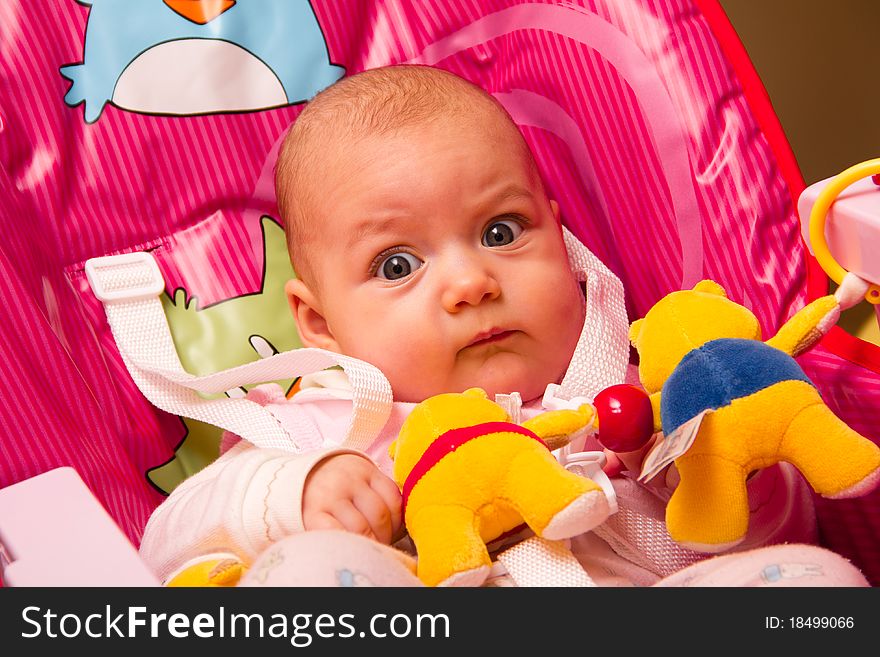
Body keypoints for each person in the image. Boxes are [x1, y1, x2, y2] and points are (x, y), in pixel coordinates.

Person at [138, 65, 868, 587]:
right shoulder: (325, 425)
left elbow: (778, 534)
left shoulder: (636, 383)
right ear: (320, 322)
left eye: (500, 230)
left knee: (815, 585)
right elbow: (166, 540)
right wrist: (295, 491)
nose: (469, 282)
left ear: (561, 237)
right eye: (397, 265)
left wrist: (723, 473)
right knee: (305, 576)